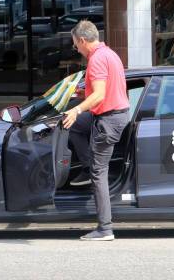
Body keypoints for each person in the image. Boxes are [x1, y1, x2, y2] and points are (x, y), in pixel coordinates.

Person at [62, 20, 129, 241]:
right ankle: (87, 162)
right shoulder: (110, 54)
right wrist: (82, 95)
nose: (77, 49)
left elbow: (100, 95)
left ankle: (105, 228)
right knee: (71, 127)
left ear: (82, 40)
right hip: (113, 114)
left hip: (109, 119)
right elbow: (103, 90)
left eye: (75, 45)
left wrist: (77, 109)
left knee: (98, 173)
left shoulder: (97, 59)